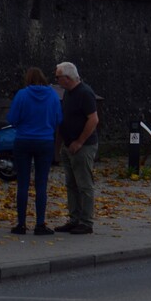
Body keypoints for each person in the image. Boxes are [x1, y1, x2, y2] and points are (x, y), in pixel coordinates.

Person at [7, 67, 62, 236]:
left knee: (22, 183)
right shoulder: (52, 95)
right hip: (45, 141)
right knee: (41, 184)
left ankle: (21, 224)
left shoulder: (22, 95)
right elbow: (58, 119)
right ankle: (40, 224)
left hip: (23, 140)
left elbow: (12, 119)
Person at [54, 61, 99, 235]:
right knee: (71, 183)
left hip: (83, 146)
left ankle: (86, 221)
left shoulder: (85, 93)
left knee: (84, 184)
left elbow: (93, 119)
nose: (57, 80)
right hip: (68, 144)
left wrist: (79, 141)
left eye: (58, 77)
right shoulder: (68, 93)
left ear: (67, 78)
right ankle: (74, 218)